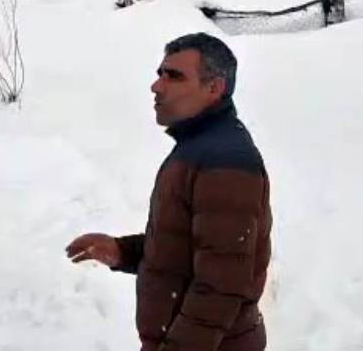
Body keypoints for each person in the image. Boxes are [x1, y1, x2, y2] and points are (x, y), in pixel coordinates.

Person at [66, 33, 272, 351]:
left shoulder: (225, 160)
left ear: (213, 88)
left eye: (173, 76)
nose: (157, 86)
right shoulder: (200, 149)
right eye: (159, 74)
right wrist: (124, 251)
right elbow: (193, 250)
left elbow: (220, 286)